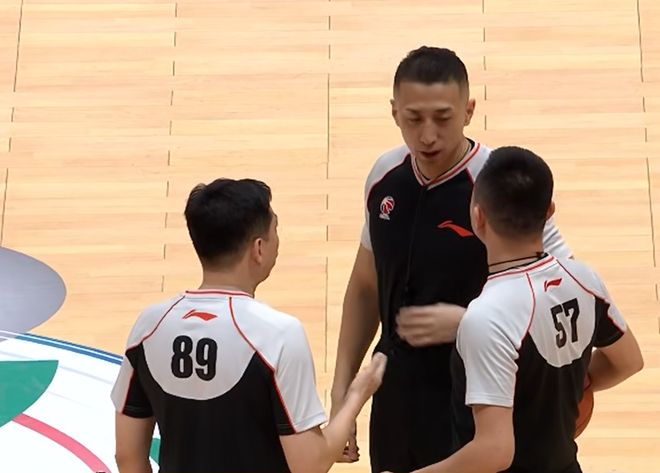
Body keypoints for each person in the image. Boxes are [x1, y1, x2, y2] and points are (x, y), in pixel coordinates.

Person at [329, 46, 572, 473]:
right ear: (394, 112)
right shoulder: (383, 176)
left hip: (478, 401)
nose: (427, 135)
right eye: (413, 118)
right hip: (396, 401)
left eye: (442, 118)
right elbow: (366, 285)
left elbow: (561, 297)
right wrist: (342, 393)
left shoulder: (500, 186)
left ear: (468, 111)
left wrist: (470, 322)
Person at [386, 146, 644, 473]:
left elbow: (494, 451)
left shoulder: (486, 317)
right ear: (549, 212)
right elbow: (629, 361)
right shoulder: (585, 280)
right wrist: (558, 391)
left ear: (477, 216)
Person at [111, 178, 387, 473]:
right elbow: (310, 463)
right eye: (275, 230)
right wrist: (357, 395)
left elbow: (127, 457)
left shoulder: (148, 328)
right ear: (258, 248)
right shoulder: (278, 335)